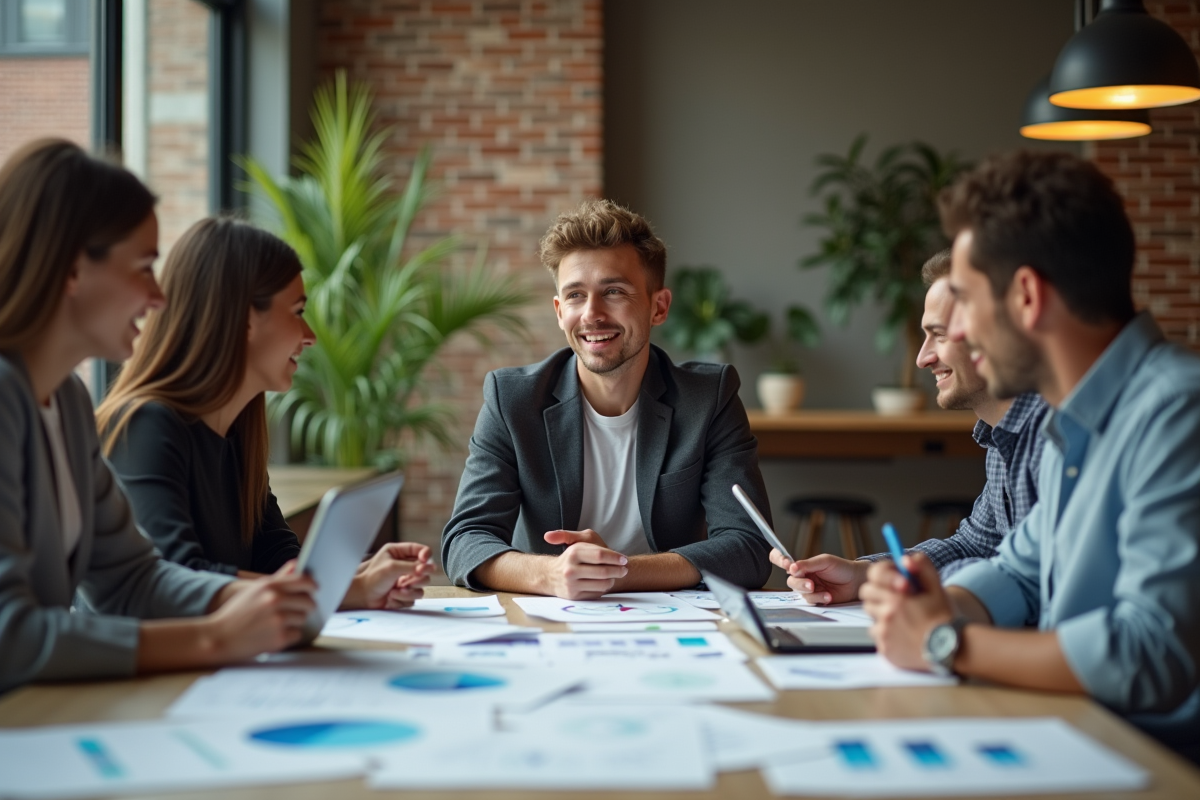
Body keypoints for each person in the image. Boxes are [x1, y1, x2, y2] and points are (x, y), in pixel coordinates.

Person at [861, 150, 1200, 761]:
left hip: (1155, 764)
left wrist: (945, 642)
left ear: (1025, 296)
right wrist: (935, 606)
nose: (955, 334)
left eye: (965, 301)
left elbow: (1151, 653)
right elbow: (1018, 569)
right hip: (1080, 738)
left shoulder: (1177, 411)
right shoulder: (1076, 418)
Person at [0, 139, 316, 694]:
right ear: (72, 268)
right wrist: (214, 637)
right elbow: (10, 635)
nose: (158, 297)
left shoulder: (67, 402)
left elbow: (132, 579)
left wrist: (272, 600)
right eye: (144, 268)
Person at [440, 199, 772, 599]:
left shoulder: (708, 398)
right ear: (559, 311)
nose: (591, 314)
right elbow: (465, 540)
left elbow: (749, 546)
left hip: (672, 617)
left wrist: (618, 572)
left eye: (613, 291)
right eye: (575, 295)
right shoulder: (513, 400)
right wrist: (550, 574)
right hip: (552, 615)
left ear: (658, 307)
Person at [98, 217, 433, 611]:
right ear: (243, 318)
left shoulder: (238, 432)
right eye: (297, 311)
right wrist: (349, 591)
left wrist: (360, 574)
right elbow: (178, 577)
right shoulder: (145, 426)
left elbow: (275, 559)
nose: (309, 336)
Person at [769, 249, 1049, 603]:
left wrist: (931, 594)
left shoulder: (1051, 434)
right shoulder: (1001, 437)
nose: (922, 358)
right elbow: (974, 545)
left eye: (939, 335)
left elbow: (1033, 582)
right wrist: (862, 574)